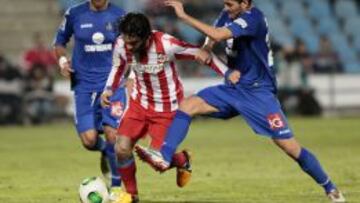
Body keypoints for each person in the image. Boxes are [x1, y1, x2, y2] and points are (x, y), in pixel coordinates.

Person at [134, 0, 346, 202]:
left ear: (245, 4)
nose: (226, 8)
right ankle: (165, 155)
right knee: (188, 105)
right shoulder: (228, 13)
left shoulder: (253, 18)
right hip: (234, 88)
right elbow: (213, 36)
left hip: (258, 93)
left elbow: (218, 33)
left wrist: (183, 16)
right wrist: (207, 48)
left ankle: (330, 188)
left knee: (290, 147)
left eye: (230, 4)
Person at [101, 12, 238, 203]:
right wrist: (108, 89)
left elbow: (201, 54)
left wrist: (228, 73)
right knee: (122, 148)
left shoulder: (166, 44)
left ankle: (181, 159)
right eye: (126, 41)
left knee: (159, 163)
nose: (129, 47)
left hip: (167, 109)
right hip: (139, 104)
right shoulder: (122, 44)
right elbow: (118, 66)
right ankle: (132, 196)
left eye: (133, 43)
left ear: (146, 37)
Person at [53, 0, 126, 194]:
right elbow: (59, 42)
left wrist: (132, 75)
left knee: (113, 135)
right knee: (89, 140)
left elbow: (132, 48)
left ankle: (116, 189)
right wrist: (62, 61)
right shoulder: (74, 14)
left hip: (112, 84)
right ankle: (104, 151)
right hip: (83, 85)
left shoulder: (120, 15)